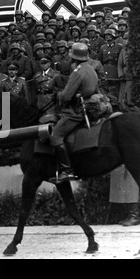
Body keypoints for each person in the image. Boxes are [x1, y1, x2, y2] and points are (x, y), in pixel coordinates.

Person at [48, 43, 99, 184]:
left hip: (77, 111)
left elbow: (65, 96)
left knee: (56, 136)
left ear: (74, 58)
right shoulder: (91, 69)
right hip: (90, 105)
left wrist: (58, 95)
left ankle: (67, 170)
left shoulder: (77, 72)